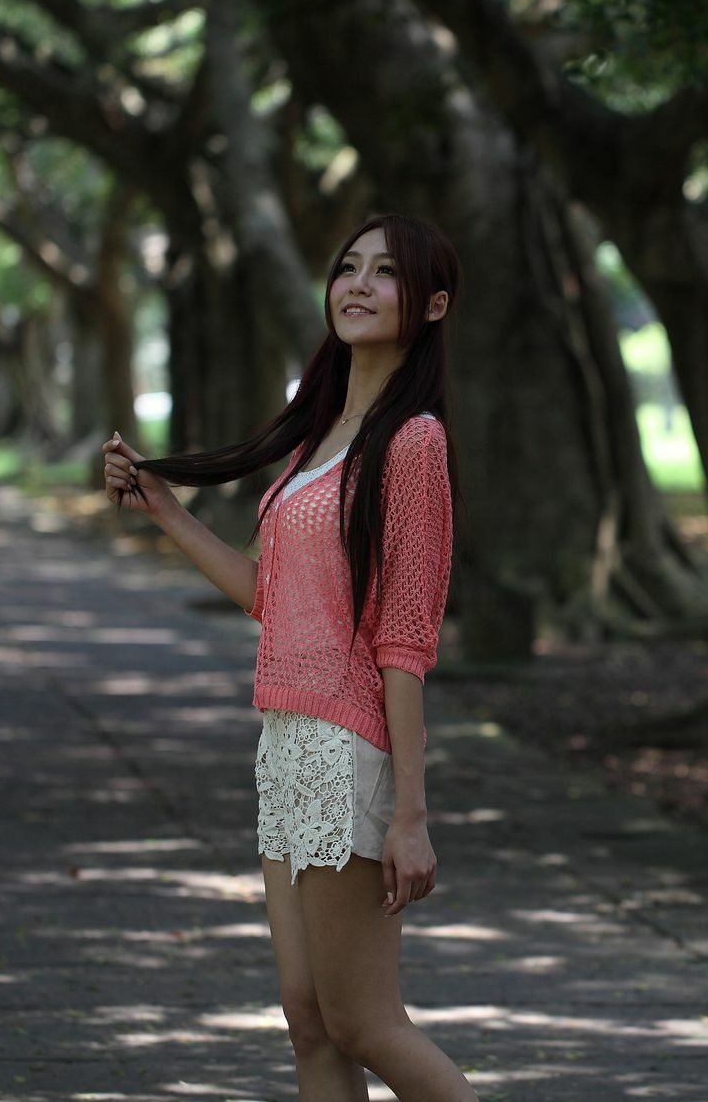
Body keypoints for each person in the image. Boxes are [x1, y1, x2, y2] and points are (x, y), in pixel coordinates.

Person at [102, 214, 476, 1102]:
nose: (356, 284)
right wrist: (169, 512)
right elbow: (277, 601)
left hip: (348, 750)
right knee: (309, 1022)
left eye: (385, 274)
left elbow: (404, 635)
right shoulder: (317, 439)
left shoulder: (412, 441)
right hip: (286, 743)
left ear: (430, 303)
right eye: (349, 266)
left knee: (364, 1021)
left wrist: (409, 813)